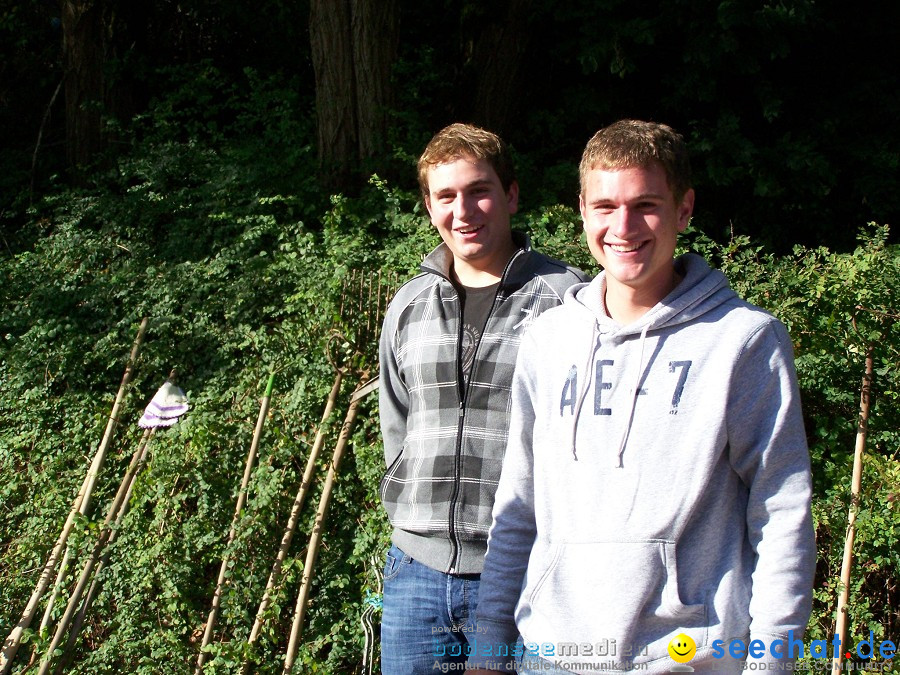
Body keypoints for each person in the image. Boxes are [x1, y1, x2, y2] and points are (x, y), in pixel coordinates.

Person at [467, 119, 816, 674]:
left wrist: (772, 663)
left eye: (645, 205)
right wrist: (488, 648)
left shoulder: (743, 341)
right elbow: (518, 506)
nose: (622, 226)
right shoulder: (547, 342)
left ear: (684, 209)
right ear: (582, 209)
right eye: (605, 206)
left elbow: (781, 512)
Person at [378, 122, 589, 674]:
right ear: (429, 206)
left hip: (526, 573)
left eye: (479, 191)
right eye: (446, 195)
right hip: (414, 576)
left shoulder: (570, 301)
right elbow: (396, 422)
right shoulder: (408, 304)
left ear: (511, 195)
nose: (463, 210)